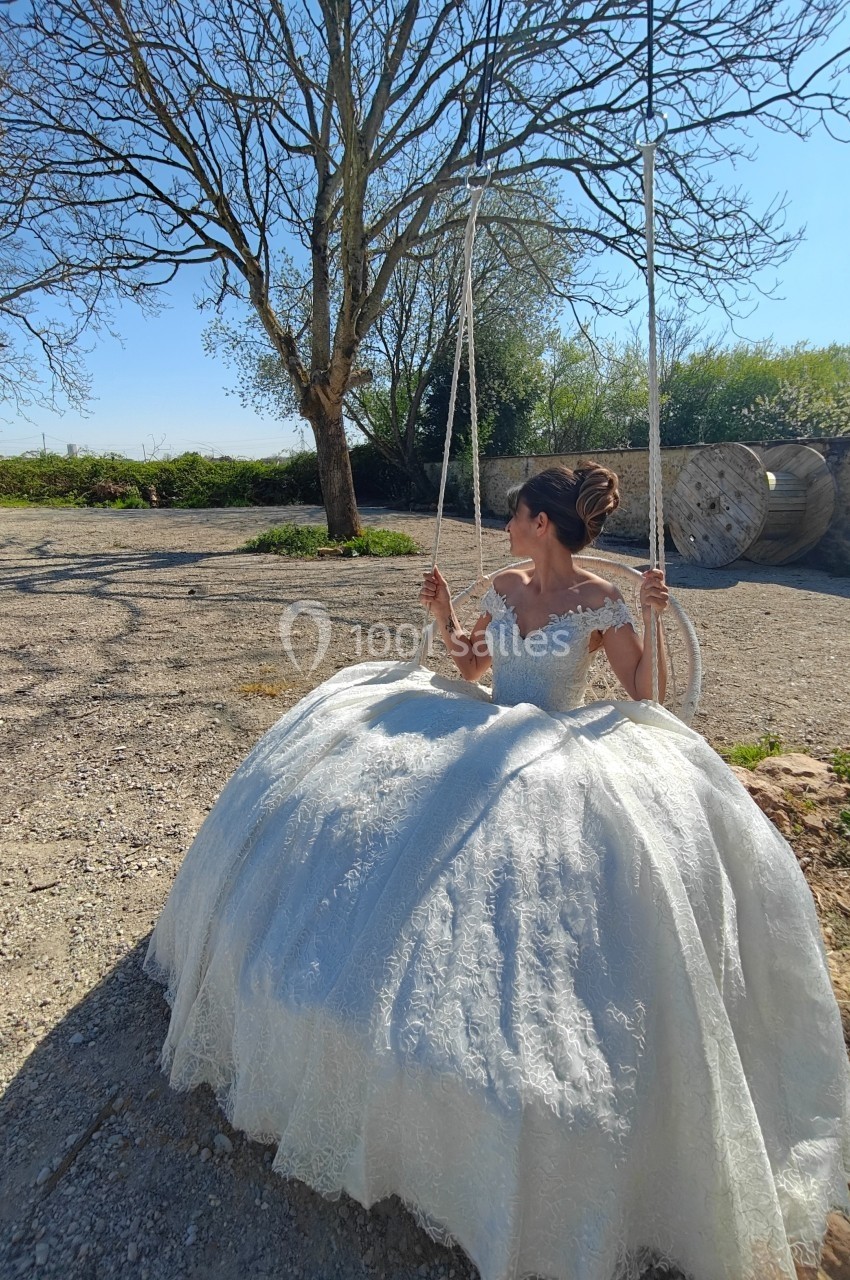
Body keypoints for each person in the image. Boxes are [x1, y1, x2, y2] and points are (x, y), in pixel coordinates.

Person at [145, 462, 850, 1280]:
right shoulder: (505, 584)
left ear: (543, 522)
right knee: (390, 828)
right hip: (484, 734)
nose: (509, 525)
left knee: (535, 895)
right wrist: (446, 613)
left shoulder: (599, 601)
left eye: (517, 514)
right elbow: (472, 673)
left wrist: (651, 617)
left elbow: (643, 695)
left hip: (562, 748)